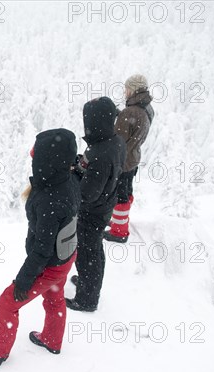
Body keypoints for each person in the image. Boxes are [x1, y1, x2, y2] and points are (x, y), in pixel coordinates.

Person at [0, 129, 81, 369]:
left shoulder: (50, 199)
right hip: (66, 255)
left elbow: (41, 249)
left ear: (47, 161)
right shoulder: (69, 180)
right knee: (55, 296)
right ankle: (52, 339)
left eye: (35, 155)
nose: (32, 157)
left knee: (7, 303)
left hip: (50, 263)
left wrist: (24, 281)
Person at [66, 97, 126, 312]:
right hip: (105, 205)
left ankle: (87, 299)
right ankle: (87, 284)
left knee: (87, 254)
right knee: (94, 251)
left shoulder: (101, 152)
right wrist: (83, 165)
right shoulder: (114, 141)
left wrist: (74, 178)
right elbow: (108, 173)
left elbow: (88, 194)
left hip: (92, 212)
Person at [104, 74, 155, 243]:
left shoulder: (130, 112)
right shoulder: (146, 108)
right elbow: (135, 127)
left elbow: (117, 139)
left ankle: (119, 231)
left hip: (123, 161)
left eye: (126, 88)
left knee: (120, 196)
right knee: (126, 192)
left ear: (133, 89)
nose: (124, 92)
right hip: (133, 157)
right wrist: (122, 115)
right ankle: (121, 221)